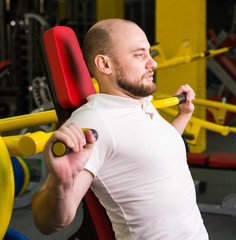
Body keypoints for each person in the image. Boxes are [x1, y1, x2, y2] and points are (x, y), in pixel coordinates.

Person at [31, 18, 209, 240]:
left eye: (149, 53)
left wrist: (184, 115)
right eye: (139, 55)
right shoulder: (93, 123)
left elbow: (154, 151)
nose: (152, 63)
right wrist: (61, 182)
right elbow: (49, 224)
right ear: (105, 64)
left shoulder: (139, 102)